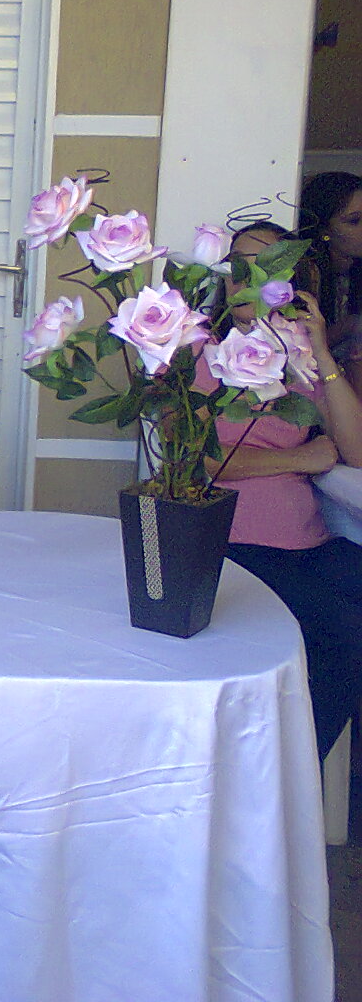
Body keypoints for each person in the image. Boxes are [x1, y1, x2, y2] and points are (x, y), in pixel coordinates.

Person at [206, 222, 362, 758]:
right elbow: (203, 462)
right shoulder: (200, 352)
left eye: (265, 265)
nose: (245, 276)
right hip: (235, 543)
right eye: (237, 264)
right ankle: (286, 775)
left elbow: (356, 451)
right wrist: (300, 457)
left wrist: (322, 349)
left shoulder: (300, 359)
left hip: (309, 541)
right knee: (342, 632)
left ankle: (293, 772)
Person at [295, 171, 362, 391]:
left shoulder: (354, 267)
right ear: (325, 230)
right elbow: (298, 349)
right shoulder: (306, 273)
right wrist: (350, 325)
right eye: (354, 221)